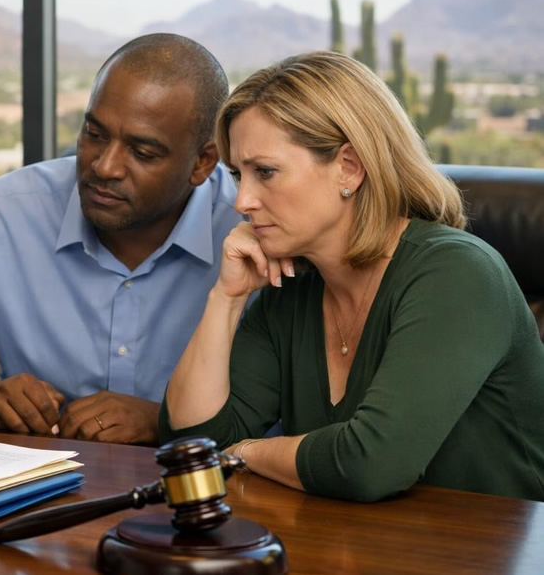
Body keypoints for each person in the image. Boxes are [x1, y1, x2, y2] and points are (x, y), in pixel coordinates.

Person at [161, 50, 544, 502]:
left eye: (265, 172)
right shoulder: (294, 287)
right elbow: (191, 442)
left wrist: (245, 453)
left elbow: (371, 464)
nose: (242, 200)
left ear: (349, 167)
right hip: (355, 549)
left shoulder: (457, 273)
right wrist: (225, 298)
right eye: (237, 174)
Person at [0, 34, 242, 445]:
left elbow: (289, 419)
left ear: (202, 163)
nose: (104, 167)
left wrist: (166, 421)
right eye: (95, 134)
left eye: (142, 153)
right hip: (38, 490)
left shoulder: (252, 233)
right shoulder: (0, 215)